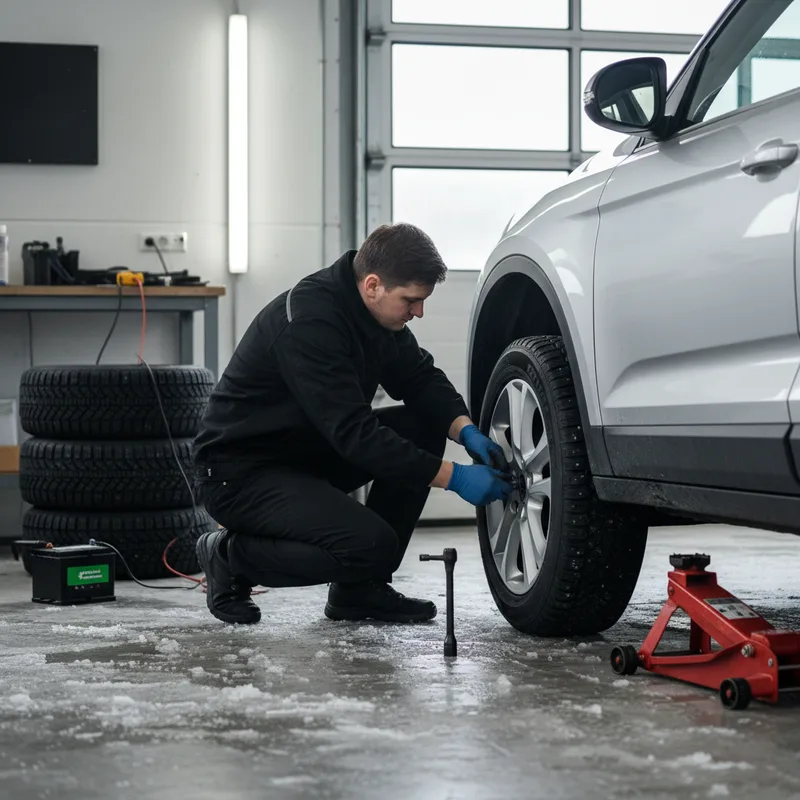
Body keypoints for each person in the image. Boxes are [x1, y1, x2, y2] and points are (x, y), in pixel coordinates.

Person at [192, 222, 512, 625]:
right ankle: (228, 556)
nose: (419, 312)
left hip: (306, 454)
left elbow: (419, 377)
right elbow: (355, 435)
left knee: (423, 424)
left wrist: (465, 429)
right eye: (411, 300)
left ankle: (360, 592)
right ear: (373, 285)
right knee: (369, 545)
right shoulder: (311, 322)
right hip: (240, 474)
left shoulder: (375, 314)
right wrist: (455, 478)